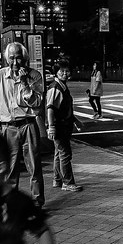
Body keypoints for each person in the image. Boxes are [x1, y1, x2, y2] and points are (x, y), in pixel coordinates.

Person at [0, 42, 45, 205]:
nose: (15, 62)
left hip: (28, 125)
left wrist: (25, 83)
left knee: (34, 166)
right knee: (9, 169)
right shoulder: (1, 75)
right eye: (11, 58)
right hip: (8, 127)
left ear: (24, 59)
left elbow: (38, 105)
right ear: (6, 59)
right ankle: (10, 202)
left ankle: (37, 202)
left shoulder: (35, 75)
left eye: (18, 58)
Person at [46, 61, 82, 193]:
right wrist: (51, 127)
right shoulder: (56, 87)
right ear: (56, 72)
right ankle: (68, 182)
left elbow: (64, 108)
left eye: (67, 71)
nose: (65, 74)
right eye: (62, 71)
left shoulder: (62, 86)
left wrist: (75, 120)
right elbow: (50, 109)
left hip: (64, 125)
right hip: (59, 126)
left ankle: (57, 179)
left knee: (58, 153)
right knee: (65, 154)